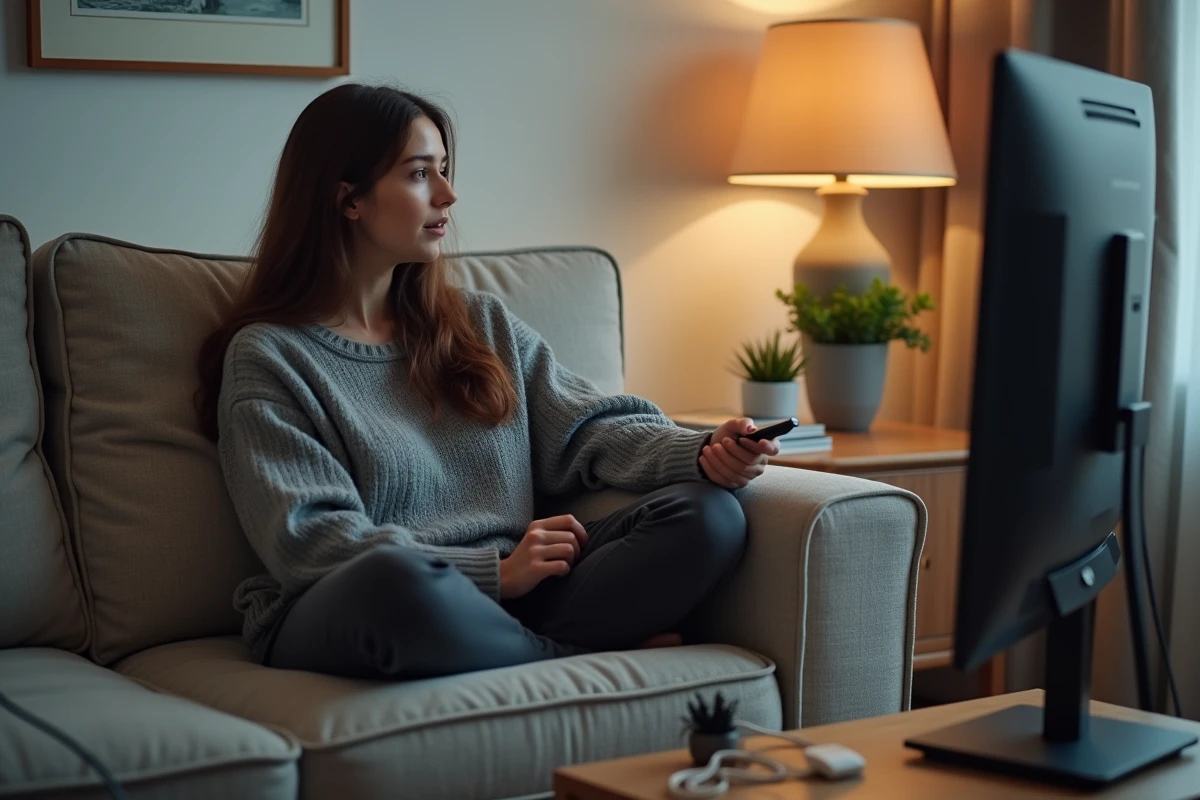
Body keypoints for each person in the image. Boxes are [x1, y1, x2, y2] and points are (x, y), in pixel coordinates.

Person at [195, 83, 780, 681]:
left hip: (518, 589)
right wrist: (493, 574)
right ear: (349, 200)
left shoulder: (479, 324)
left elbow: (587, 428)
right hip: (362, 602)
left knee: (709, 516)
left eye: (444, 170)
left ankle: (522, 651)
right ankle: (571, 663)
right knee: (389, 581)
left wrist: (699, 452)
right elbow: (312, 540)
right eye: (419, 174)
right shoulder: (270, 356)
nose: (447, 194)